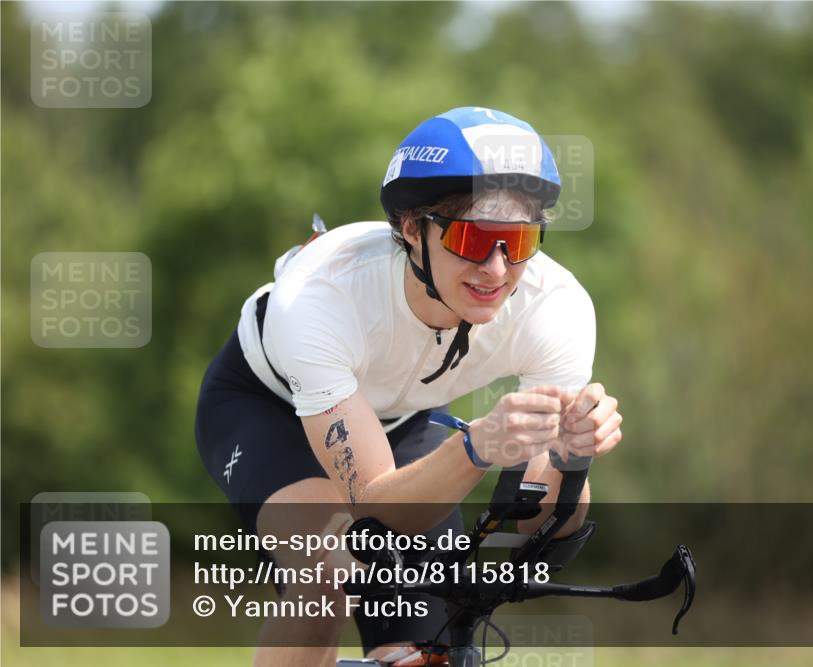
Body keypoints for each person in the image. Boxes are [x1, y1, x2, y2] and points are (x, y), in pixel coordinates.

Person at [195, 106, 623, 666]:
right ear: (411, 229)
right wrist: (476, 448)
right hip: (265, 409)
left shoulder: (555, 308)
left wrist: (572, 462)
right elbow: (376, 508)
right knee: (327, 572)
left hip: (404, 418)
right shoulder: (321, 295)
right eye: (473, 239)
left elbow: (541, 524)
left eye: (517, 241)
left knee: (426, 650)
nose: (497, 270)